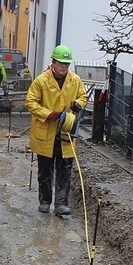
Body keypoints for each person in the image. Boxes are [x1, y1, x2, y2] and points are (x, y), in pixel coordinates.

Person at [25, 45, 87, 217]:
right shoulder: (41, 81)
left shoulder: (75, 80)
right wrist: (48, 114)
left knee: (65, 169)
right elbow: (30, 102)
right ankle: (44, 201)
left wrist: (79, 104)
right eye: (61, 63)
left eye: (67, 64)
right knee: (45, 169)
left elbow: (83, 96)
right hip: (46, 133)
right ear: (53, 62)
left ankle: (61, 203)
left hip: (66, 133)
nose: (64, 67)